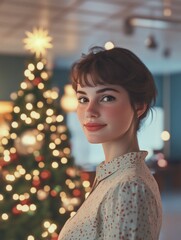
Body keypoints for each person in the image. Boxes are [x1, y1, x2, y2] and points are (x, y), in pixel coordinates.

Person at [58, 46, 162, 240]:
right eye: (83, 98)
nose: (90, 110)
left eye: (106, 98)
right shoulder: (112, 176)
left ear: (139, 106)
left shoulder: (129, 187)